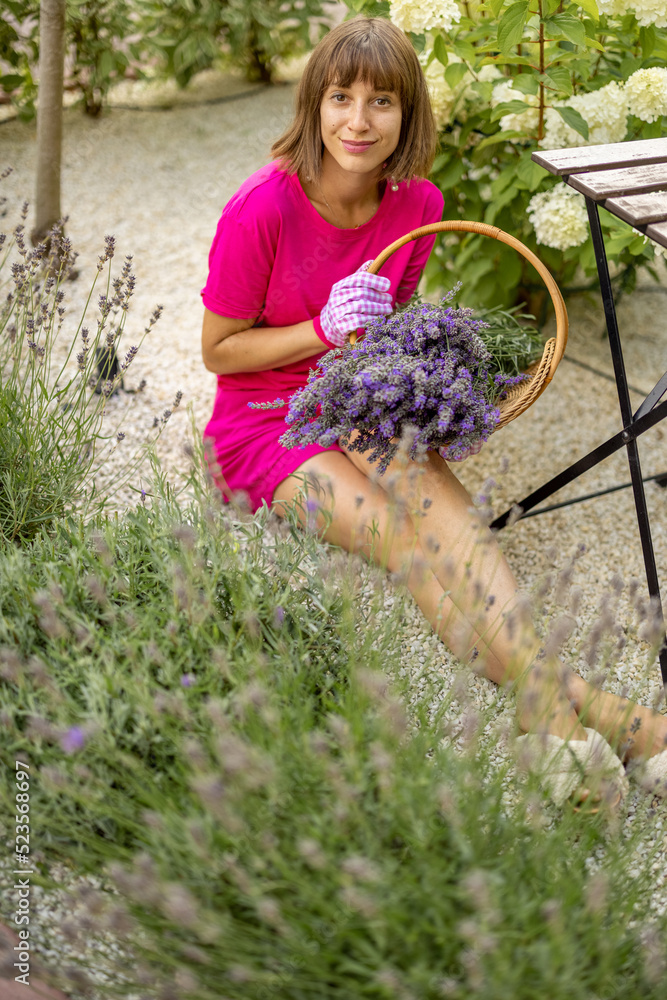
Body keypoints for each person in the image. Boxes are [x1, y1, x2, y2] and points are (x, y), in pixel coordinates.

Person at [201, 15, 667, 806]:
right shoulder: (262, 208)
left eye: (381, 101)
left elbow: (391, 334)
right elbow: (218, 351)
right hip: (267, 424)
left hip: (361, 394)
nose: (358, 120)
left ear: (407, 115)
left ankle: (553, 721)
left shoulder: (419, 203)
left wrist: (421, 378)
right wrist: (321, 329)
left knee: (457, 527)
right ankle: (601, 721)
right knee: (409, 544)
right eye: (341, 97)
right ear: (313, 104)